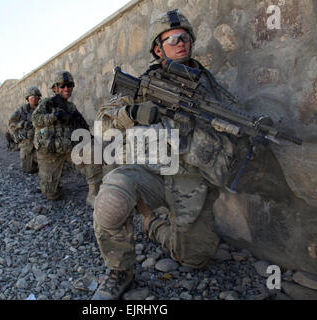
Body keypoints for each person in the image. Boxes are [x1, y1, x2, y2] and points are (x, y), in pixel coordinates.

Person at [92, 9, 242, 300]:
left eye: (184, 37)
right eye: (172, 39)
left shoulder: (210, 89)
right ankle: (119, 271)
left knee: (195, 259)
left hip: (191, 181)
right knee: (110, 199)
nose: (180, 42)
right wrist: (130, 113)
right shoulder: (144, 85)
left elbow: (232, 126)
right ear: (158, 49)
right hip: (148, 174)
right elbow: (102, 124)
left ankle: (151, 221)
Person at [32, 71, 102, 205]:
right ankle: (54, 180)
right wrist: (54, 116)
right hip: (50, 152)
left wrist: (91, 140)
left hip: (69, 148)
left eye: (70, 85)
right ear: (55, 88)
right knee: (51, 194)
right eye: (63, 85)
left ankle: (93, 194)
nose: (66, 89)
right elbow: (35, 120)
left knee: (94, 151)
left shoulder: (71, 107)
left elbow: (81, 126)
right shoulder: (47, 104)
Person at [8, 87, 42, 173]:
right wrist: (22, 124)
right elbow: (11, 124)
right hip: (27, 141)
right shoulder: (21, 111)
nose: (34, 99)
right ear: (27, 99)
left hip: (41, 140)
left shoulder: (43, 109)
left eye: (36, 97)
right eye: (32, 97)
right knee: (27, 170)